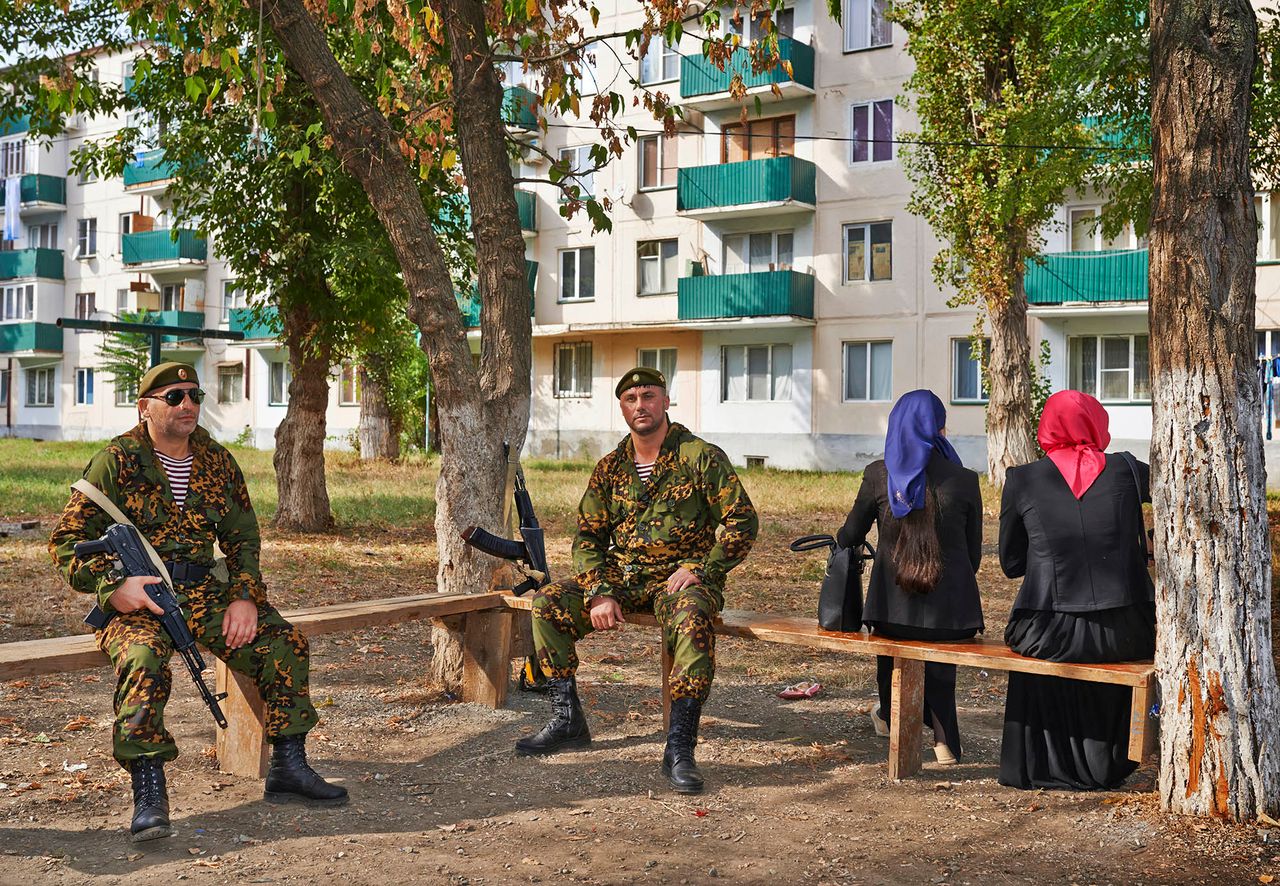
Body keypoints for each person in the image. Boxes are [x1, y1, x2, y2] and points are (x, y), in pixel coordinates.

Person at [49, 362, 348, 843]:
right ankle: (149, 792)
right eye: (174, 397)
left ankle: (289, 767)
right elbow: (65, 541)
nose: (188, 404)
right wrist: (113, 588)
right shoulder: (117, 460)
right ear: (145, 407)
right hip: (140, 597)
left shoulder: (216, 460)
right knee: (144, 660)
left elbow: (242, 539)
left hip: (205, 592)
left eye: (194, 395)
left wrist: (245, 598)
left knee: (284, 642)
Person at [515, 366, 759, 794]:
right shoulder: (611, 467)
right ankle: (567, 717)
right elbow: (588, 536)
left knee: (691, 619)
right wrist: (598, 593)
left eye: (648, 396)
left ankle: (679, 747)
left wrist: (703, 568)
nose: (640, 405)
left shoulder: (699, 456)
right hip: (624, 577)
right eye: (631, 399)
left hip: (680, 580)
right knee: (549, 602)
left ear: (665, 401)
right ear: (622, 408)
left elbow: (742, 521)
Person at [998, 389, 1156, 790]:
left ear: (1046, 427)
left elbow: (1011, 564)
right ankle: (1105, 763)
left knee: (1030, 648)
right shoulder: (1127, 470)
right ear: (1097, 423)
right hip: (1126, 629)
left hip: (1049, 630)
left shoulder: (1023, 478)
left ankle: (1043, 764)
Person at [836, 389, 984, 765]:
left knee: (893, 645)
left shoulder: (877, 474)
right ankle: (944, 740)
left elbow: (849, 536)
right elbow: (974, 556)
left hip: (890, 612)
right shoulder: (965, 479)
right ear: (939, 428)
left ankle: (889, 716)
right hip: (953, 617)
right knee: (938, 654)